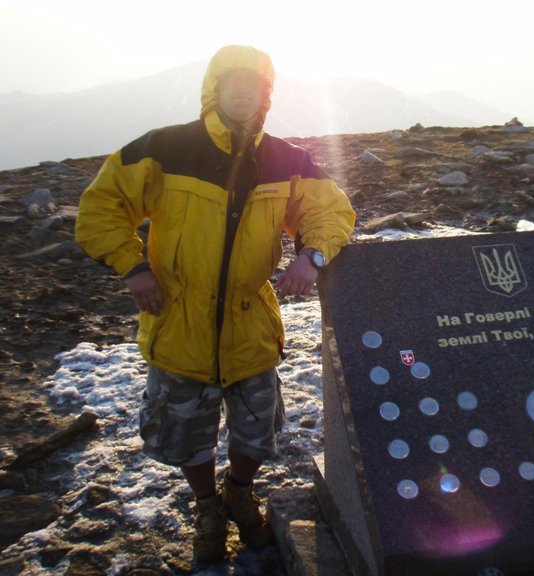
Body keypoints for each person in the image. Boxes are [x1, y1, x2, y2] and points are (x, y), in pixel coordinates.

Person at [75, 45, 355, 563]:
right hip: (178, 322)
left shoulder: (285, 159)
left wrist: (310, 256)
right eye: (234, 83)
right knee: (188, 436)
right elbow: (100, 207)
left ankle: (239, 494)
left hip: (250, 326)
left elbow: (331, 211)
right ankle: (208, 506)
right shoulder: (164, 148)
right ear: (214, 89)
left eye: (256, 86)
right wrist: (132, 266)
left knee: (256, 431)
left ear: (266, 96)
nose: (244, 92)